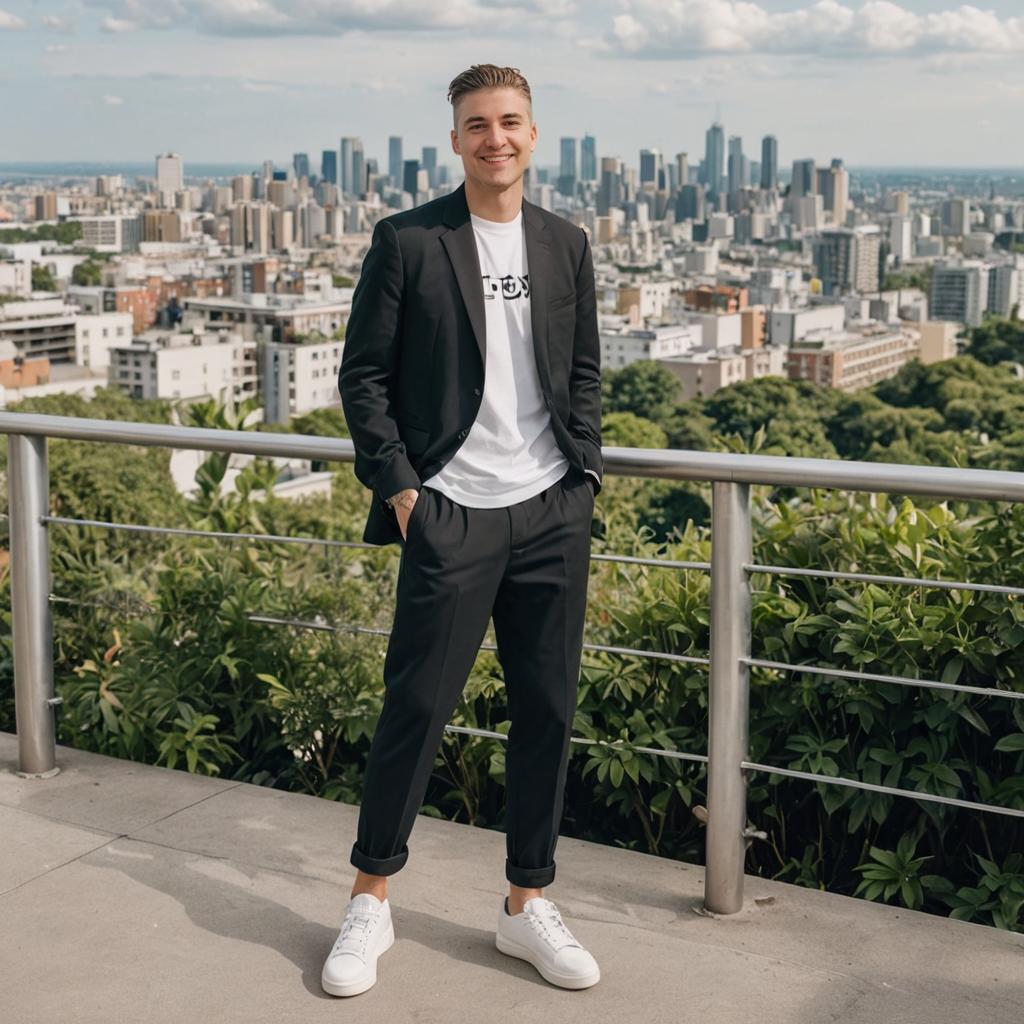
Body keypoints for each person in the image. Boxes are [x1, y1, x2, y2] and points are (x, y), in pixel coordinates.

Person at [327, 63, 602, 997]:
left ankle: (527, 904)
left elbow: (586, 373)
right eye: (477, 124)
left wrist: (584, 477)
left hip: (551, 514)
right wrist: (406, 494)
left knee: (548, 713)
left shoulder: (566, 243)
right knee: (416, 709)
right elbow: (362, 375)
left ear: (534, 133)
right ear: (455, 140)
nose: (496, 138)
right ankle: (370, 900)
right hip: (450, 515)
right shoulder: (409, 241)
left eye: (511, 122)